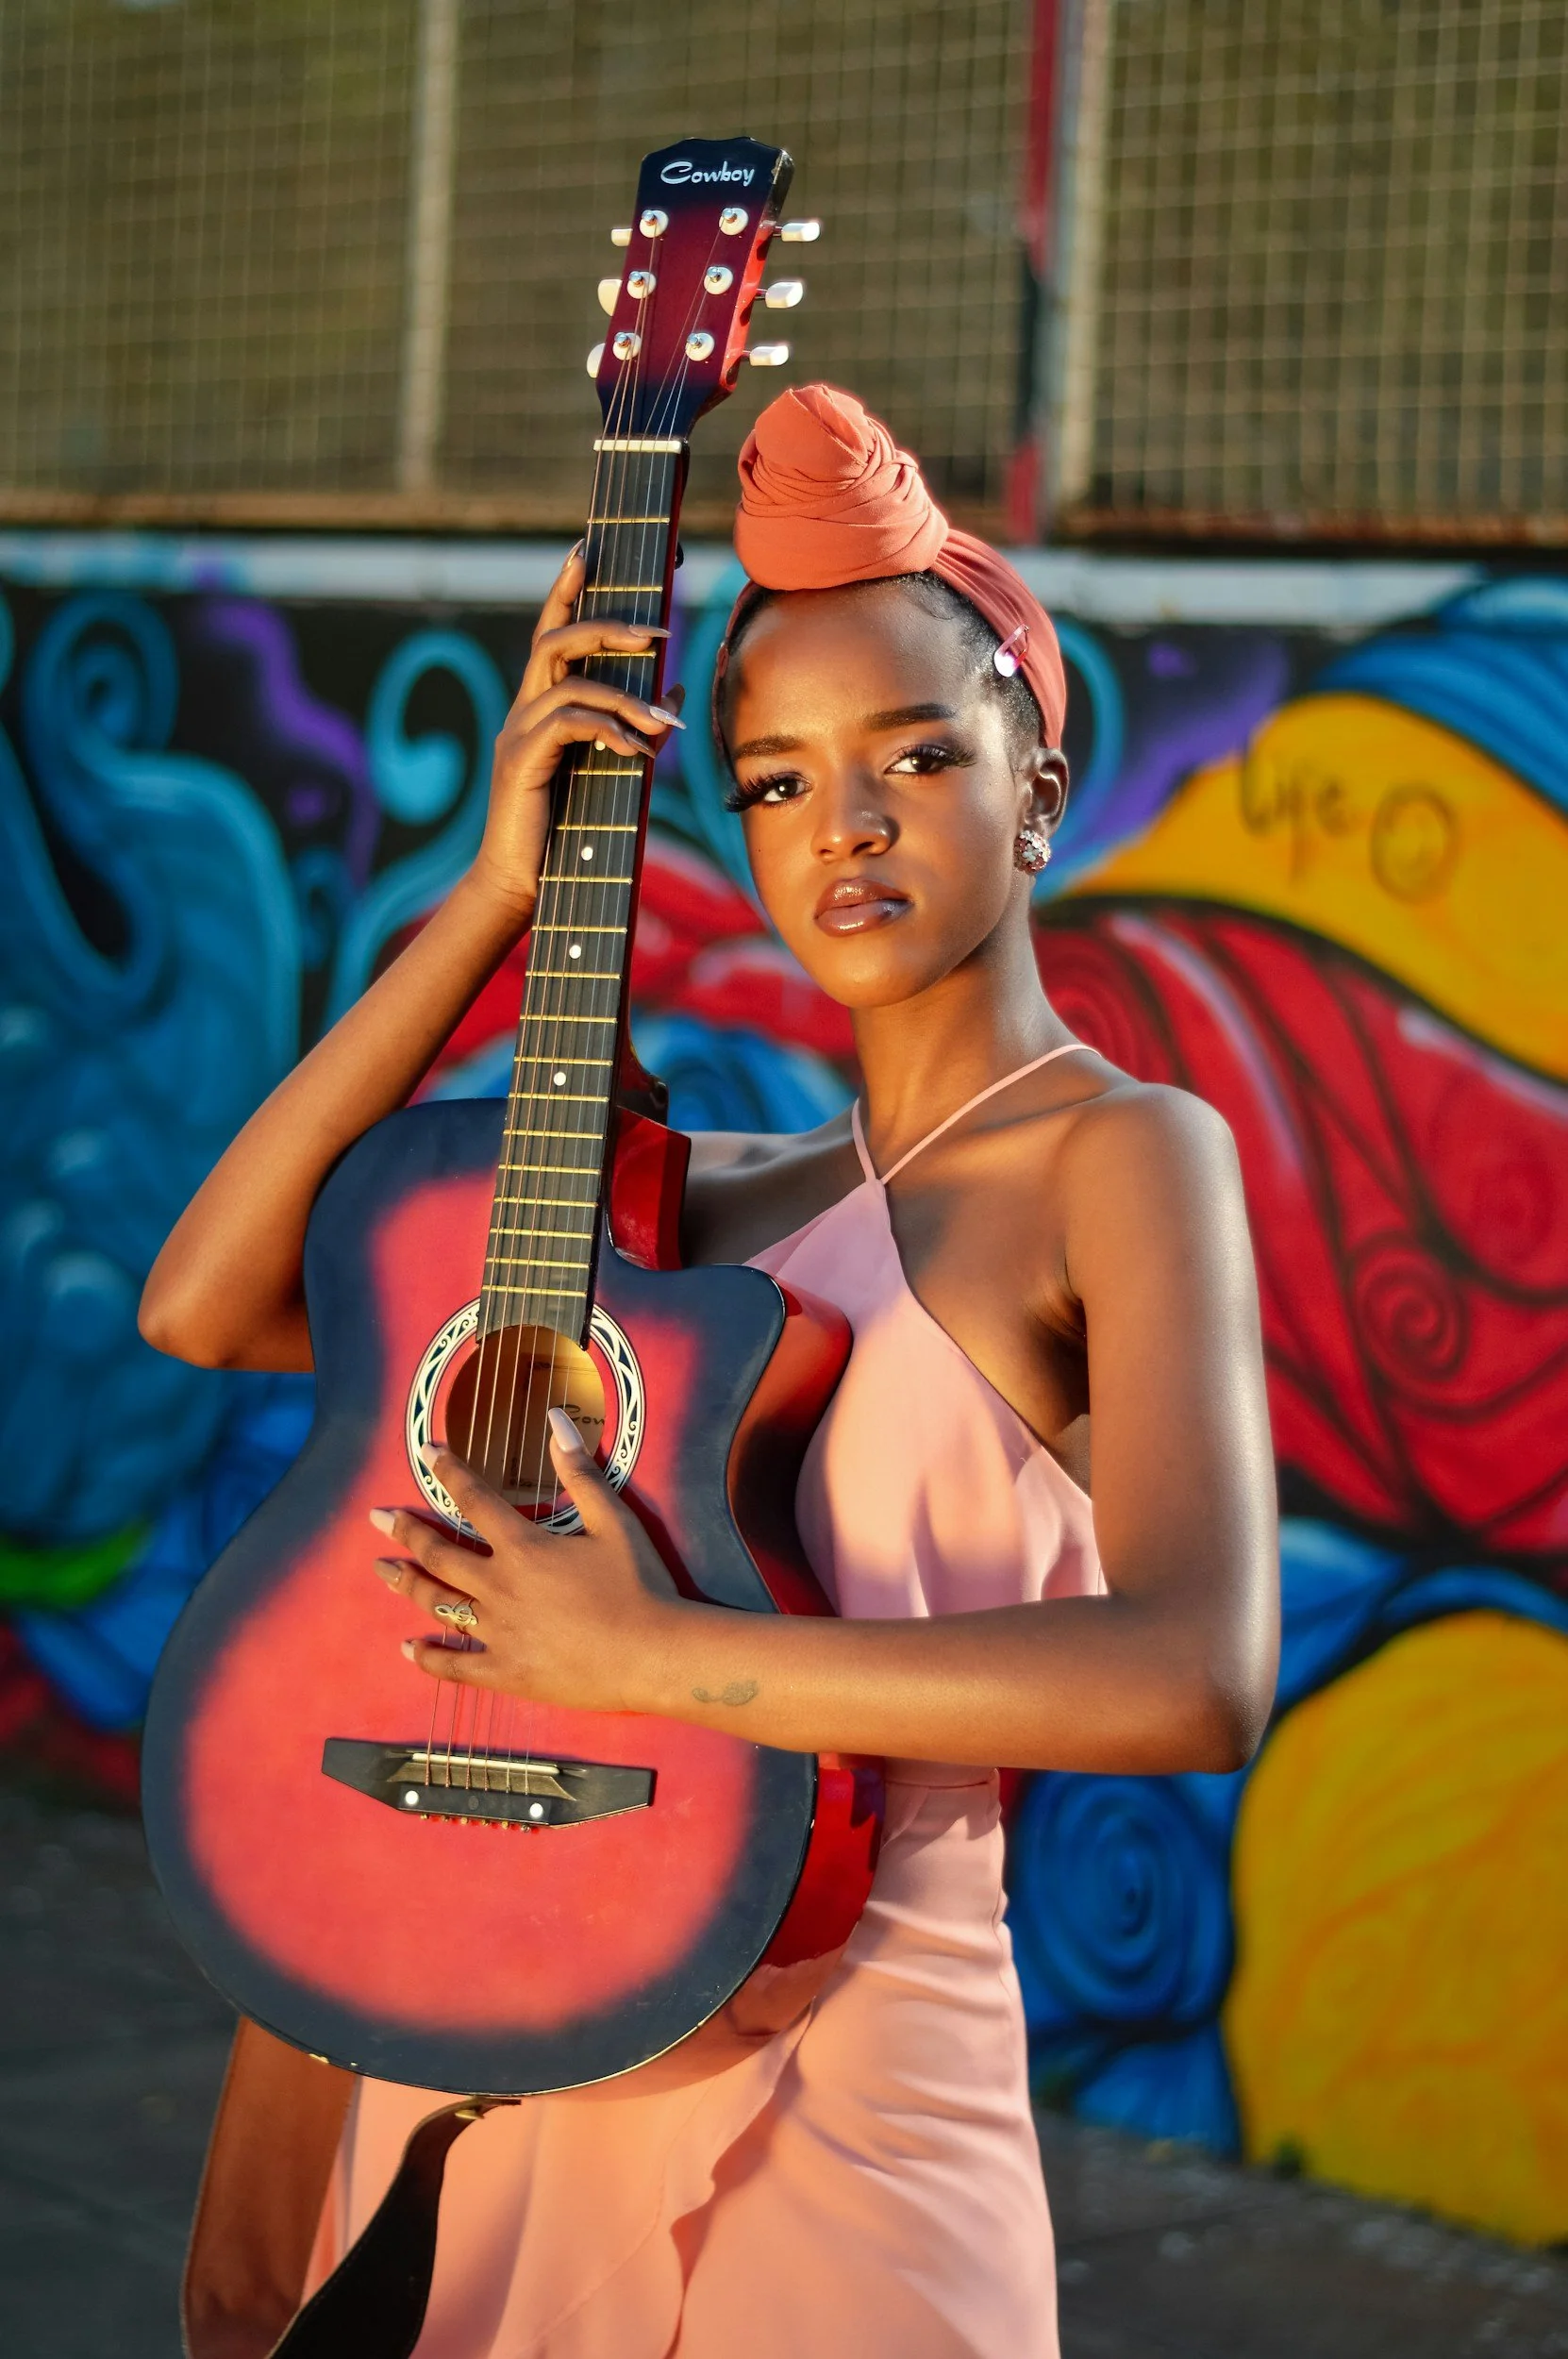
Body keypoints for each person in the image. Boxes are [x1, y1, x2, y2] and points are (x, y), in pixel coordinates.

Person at [141, 384, 1279, 2359]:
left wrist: (650, 1659)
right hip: (510, 1992)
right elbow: (204, 1299)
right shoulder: (699, 1207)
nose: (842, 823)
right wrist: (494, 893)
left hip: (861, 2082)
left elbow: (1197, 1670)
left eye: (914, 753)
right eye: (771, 778)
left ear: (1039, 784)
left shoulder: (1123, 1153)